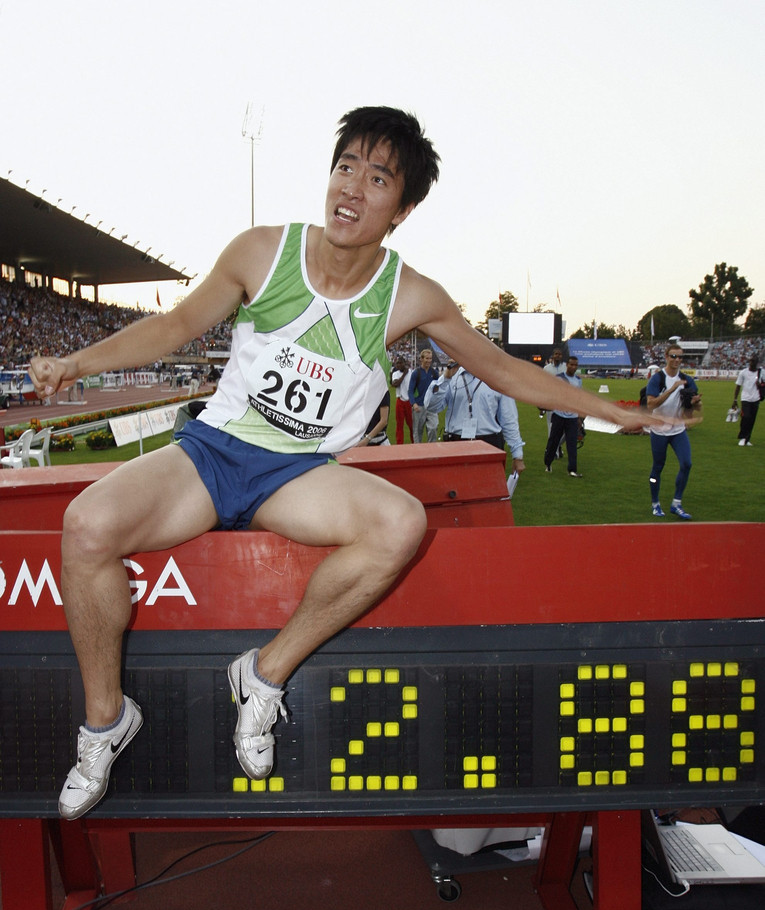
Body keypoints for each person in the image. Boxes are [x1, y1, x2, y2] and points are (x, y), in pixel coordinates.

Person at [29, 105, 670, 820]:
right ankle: (106, 720)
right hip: (211, 452)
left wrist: (606, 410)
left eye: (377, 178)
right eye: (345, 167)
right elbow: (177, 325)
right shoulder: (261, 251)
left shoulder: (410, 295)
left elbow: (500, 369)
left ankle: (264, 674)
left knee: (398, 523)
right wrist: (76, 364)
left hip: (298, 472)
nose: (353, 189)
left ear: (403, 207)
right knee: (85, 526)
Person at [423, 360, 525, 475]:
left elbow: (509, 419)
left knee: (488, 490)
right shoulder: (453, 375)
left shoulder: (498, 378)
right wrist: (445, 378)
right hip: (456, 444)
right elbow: (431, 406)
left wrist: (518, 455)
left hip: (489, 444)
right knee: (455, 490)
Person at [645, 342, 701, 519]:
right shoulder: (658, 379)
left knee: (687, 463)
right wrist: (672, 389)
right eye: (674, 356)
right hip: (659, 429)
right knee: (658, 468)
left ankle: (677, 503)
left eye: (680, 357)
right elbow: (650, 404)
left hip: (677, 429)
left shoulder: (687, 379)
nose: (677, 360)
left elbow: (693, 408)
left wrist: (695, 402)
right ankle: (655, 503)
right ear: (667, 357)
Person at [543, 356, 584, 477]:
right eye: (571, 365)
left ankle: (572, 469)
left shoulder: (578, 380)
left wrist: (579, 417)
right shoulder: (559, 378)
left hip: (572, 417)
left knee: (572, 443)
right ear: (567, 365)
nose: (573, 367)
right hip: (559, 414)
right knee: (553, 441)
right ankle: (548, 463)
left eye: (575, 365)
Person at [731, 353, 762, 447]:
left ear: (757, 363)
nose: (752, 363)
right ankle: (742, 437)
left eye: (754, 361)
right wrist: (735, 400)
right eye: (751, 361)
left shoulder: (761, 372)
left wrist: (760, 385)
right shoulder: (743, 372)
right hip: (745, 399)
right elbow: (738, 387)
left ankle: (747, 439)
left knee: (752, 420)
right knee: (746, 417)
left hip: (756, 399)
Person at [408, 346, 438, 442]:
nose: (429, 361)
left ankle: (432, 449)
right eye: (426, 358)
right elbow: (410, 390)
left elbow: (438, 389)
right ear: (421, 359)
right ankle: (418, 452)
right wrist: (414, 403)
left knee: (433, 428)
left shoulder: (434, 373)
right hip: (419, 406)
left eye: (430, 358)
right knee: (417, 431)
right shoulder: (416, 373)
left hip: (431, 406)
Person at [390, 354, 413, 444]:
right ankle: (400, 444)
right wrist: (404, 374)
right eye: (397, 364)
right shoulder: (396, 374)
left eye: (400, 363)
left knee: (411, 425)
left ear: (404, 363)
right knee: (399, 425)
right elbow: (395, 384)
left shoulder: (411, 372)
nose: (398, 365)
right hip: (400, 401)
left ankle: (414, 442)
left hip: (409, 401)